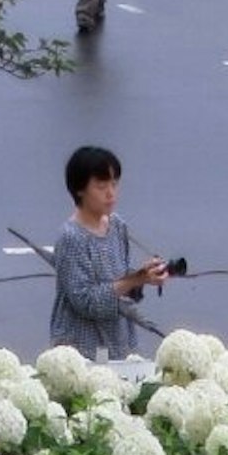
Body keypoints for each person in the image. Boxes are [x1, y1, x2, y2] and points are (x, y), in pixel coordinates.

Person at [48, 145, 166, 360]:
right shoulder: (71, 237)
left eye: (114, 183)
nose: (111, 193)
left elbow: (119, 276)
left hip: (119, 340)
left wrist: (145, 276)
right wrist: (134, 280)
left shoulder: (117, 225)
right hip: (81, 347)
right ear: (79, 189)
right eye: (102, 186)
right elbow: (86, 302)